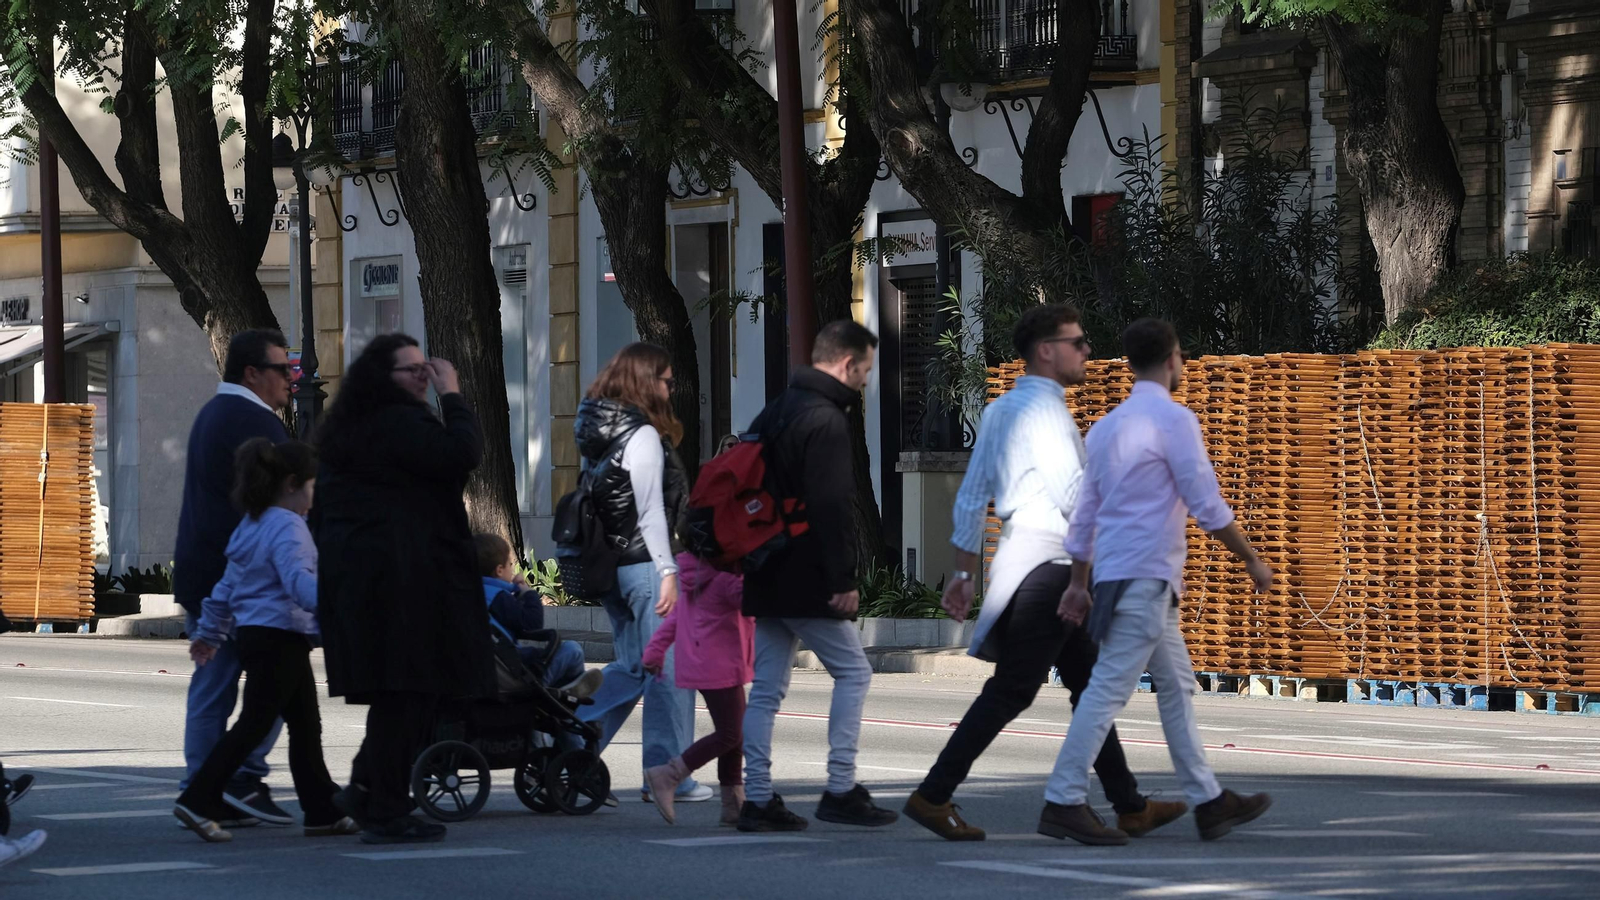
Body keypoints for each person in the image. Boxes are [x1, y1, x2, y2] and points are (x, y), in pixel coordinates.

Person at [902, 304, 1186, 843]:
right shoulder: (1048, 415)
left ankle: (1128, 803)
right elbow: (1077, 500)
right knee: (1013, 691)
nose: (1087, 351)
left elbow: (971, 497)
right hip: (1051, 568)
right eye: (1078, 342)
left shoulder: (1001, 410)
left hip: (1021, 562)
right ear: (1046, 351)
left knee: (1087, 681)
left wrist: (963, 572)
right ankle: (935, 795)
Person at [1045, 318, 1274, 844]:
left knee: (1176, 686)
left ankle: (1209, 800)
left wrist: (1080, 582)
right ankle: (1061, 798)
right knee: (1106, 691)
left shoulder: (1103, 430)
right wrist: (1251, 559)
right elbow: (1207, 505)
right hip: (1146, 579)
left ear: (1129, 364)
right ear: (1172, 359)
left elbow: (1084, 516)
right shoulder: (1175, 422)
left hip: (1116, 579)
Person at [314, 334, 495, 845]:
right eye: (411, 370)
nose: (424, 375)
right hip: (404, 582)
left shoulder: (351, 429)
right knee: (410, 693)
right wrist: (454, 394)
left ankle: (366, 790)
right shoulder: (399, 422)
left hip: (372, 581)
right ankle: (386, 807)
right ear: (383, 378)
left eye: (426, 368)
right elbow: (462, 453)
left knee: (401, 694)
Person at [737, 319, 897, 832]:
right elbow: (831, 507)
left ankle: (757, 798)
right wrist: (843, 580)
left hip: (764, 566)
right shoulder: (825, 420)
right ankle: (841, 788)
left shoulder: (777, 409)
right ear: (847, 363)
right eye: (866, 371)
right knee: (854, 672)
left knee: (765, 690)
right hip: (806, 572)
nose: (866, 381)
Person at [175, 439, 356, 843]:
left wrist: (209, 633)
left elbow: (226, 586)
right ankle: (198, 797)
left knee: (306, 726)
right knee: (256, 725)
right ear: (292, 484)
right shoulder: (289, 526)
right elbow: (299, 583)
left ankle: (321, 810)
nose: (314, 497)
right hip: (280, 638)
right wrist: (338, 611)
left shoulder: (251, 524)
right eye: (311, 487)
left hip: (260, 636)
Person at [572, 342, 709, 807]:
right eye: (667, 380)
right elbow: (650, 512)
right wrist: (668, 570)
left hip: (612, 569)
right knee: (669, 673)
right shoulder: (642, 435)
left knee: (633, 667)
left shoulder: (596, 428)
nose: (672, 388)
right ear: (646, 381)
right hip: (646, 567)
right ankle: (665, 774)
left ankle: (570, 747)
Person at [172, 329, 294, 825]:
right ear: (252, 373)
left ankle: (203, 785)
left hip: (207, 574)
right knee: (279, 681)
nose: (291, 380)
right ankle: (237, 778)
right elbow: (283, 506)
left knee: (214, 684)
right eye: (283, 370)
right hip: (242, 581)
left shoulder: (213, 412)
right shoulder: (253, 421)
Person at [640, 543, 755, 826]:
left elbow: (676, 617)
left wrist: (655, 650)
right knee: (731, 733)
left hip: (711, 663)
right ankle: (669, 774)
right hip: (720, 665)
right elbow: (752, 603)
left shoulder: (702, 576)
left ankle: (733, 805)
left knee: (735, 735)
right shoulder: (727, 580)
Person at [474, 532, 603, 699]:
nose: (512, 569)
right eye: (510, 564)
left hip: (488, 674)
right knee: (573, 650)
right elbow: (532, 623)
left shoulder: (471, 597)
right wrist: (528, 592)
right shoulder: (497, 597)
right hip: (515, 674)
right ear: (499, 570)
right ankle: (551, 693)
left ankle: (563, 691)